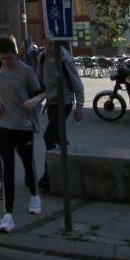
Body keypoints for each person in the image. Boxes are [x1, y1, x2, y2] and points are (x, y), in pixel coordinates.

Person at [0, 36, 42, 233]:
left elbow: (42, 91)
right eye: (2, 59)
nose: (6, 62)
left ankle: (35, 195)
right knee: (7, 169)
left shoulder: (27, 71)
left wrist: (35, 101)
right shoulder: (0, 67)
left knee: (28, 163)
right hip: (3, 125)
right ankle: (8, 215)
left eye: (9, 58)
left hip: (23, 125)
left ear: (16, 54)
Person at [35, 41, 85, 192]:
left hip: (65, 102)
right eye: (46, 43)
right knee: (59, 138)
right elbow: (39, 81)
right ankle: (73, 166)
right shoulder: (42, 58)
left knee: (49, 136)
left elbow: (77, 83)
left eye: (50, 44)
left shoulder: (65, 59)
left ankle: (48, 177)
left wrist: (80, 107)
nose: (47, 47)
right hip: (51, 103)